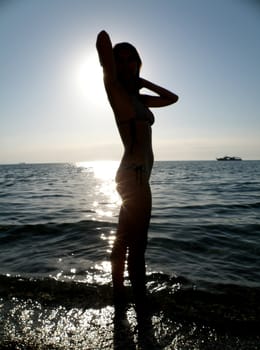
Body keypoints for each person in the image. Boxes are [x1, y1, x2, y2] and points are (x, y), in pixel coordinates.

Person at [96, 30, 178, 321]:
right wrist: (111, 60)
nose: (129, 64)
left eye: (133, 60)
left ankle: (119, 295)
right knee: (137, 243)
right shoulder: (115, 91)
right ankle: (140, 303)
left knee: (123, 238)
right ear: (116, 66)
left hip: (136, 175)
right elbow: (103, 45)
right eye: (123, 60)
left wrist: (141, 80)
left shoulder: (136, 96)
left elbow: (171, 98)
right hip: (135, 175)